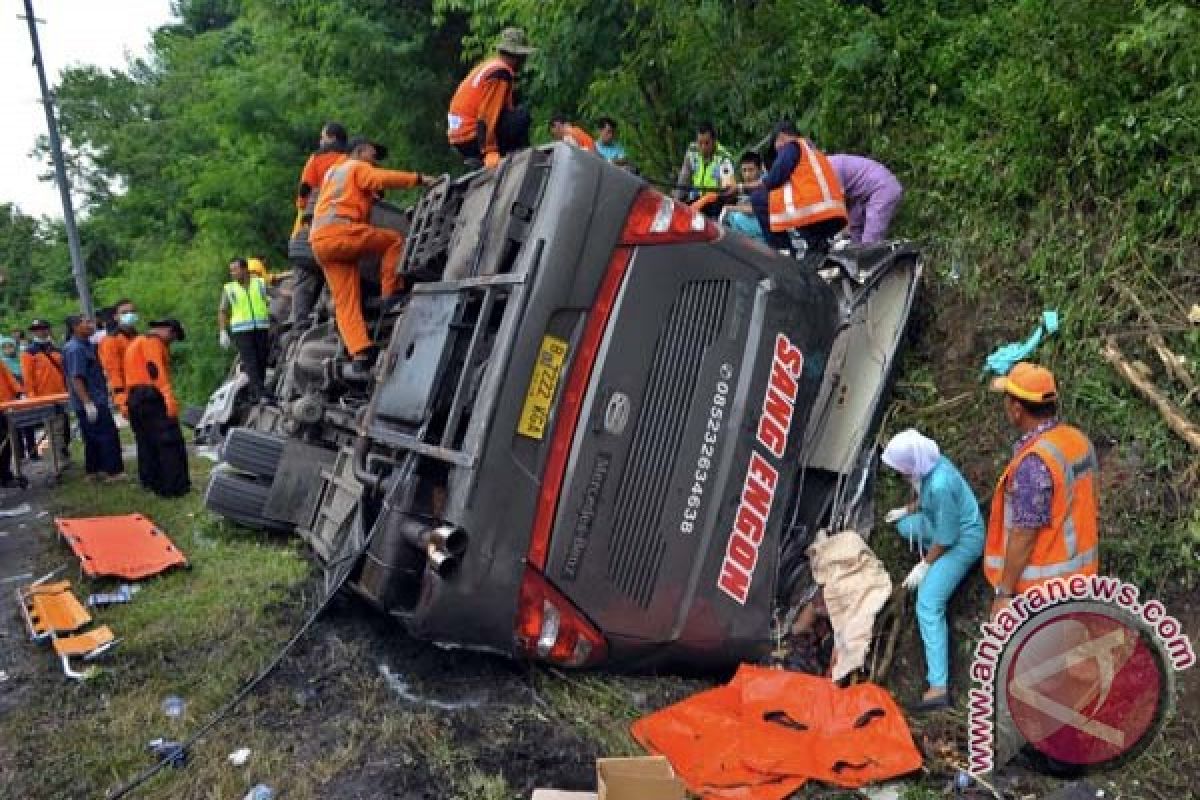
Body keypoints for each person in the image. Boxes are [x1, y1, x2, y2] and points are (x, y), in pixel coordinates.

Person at [310, 137, 436, 374]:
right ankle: (392, 295)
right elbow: (380, 178)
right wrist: (419, 179)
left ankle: (361, 353)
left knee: (346, 302)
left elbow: (344, 198)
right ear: (359, 151)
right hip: (341, 233)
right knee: (393, 241)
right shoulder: (357, 166)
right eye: (372, 153)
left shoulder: (333, 173)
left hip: (319, 244)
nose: (375, 159)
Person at [881, 429, 984, 711]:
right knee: (905, 527)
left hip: (962, 540)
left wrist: (925, 566)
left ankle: (938, 687)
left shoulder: (939, 483)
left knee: (927, 603)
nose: (901, 474)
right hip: (942, 524)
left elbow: (947, 537)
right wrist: (907, 510)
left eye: (901, 468)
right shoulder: (930, 463)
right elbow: (928, 502)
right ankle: (929, 556)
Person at [985, 362, 1099, 618]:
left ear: (1017, 410)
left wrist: (1004, 593)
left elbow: (1024, 534)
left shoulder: (1034, 463)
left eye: (1007, 400)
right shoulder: (1076, 440)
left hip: (1043, 596)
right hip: (1083, 580)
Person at [749, 121, 847, 255]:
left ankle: (782, 251)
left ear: (781, 137)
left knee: (758, 197)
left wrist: (744, 187)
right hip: (834, 214)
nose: (777, 152)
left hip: (814, 213)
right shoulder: (812, 150)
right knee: (815, 250)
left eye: (776, 147)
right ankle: (816, 246)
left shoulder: (791, 147)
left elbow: (773, 180)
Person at [447, 27, 535, 168]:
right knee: (521, 116)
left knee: (512, 116)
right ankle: (520, 160)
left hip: (459, 137)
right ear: (517, 56)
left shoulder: (488, 66)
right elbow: (487, 116)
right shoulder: (500, 73)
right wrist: (489, 151)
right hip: (472, 137)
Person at [125, 319, 190, 496]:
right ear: (168, 330)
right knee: (169, 441)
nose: (171, 341)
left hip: (135, 397)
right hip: (151, 396)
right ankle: (173, 487)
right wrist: (169, 402)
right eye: (173, 337)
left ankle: (150, 482)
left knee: (146, 443)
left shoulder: (137, 341)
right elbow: (157, 373)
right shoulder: (153, 343)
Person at [62, 315, 124, 482]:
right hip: (91, 400)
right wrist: (88, 403)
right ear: (75, 327)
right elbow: (77, 378)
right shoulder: (75, 348)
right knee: (107, 435)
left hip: (96, 397)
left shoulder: (87, 345)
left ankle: (94, 471)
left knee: (92, 437)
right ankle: (114, 472)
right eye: (86, 322)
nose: (92, 325)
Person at [218, 257, 272, 401]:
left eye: (235, 269)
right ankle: (260, 393)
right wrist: (223, 331)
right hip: (241, 331)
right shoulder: (229, 289)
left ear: (245, 269)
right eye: (231, 270)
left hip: (261, 327)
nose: (232, 273)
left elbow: (270, 296)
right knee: (251, 362)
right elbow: (223, 310)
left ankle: (257, 392)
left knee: (262, 359)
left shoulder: (260, 283)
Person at [21, 319, 70, 461]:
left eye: (43, 328)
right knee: (54, 430)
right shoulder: (29, 352)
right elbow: (28, 378)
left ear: (48, 329)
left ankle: (62, 454)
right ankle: (58, 460)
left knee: (64, 428)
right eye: (36, 329)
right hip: (44, 398)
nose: (40, 331)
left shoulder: (56, 349)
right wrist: (33, 399)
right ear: (33, 332)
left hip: (62, 395)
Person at [827, 154, 904, 244]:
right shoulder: (825, 165)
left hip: (881, 188)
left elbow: (839, 203)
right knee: (854, 233)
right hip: (861, 197)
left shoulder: (828, 167)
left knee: (870, 240)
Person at [295, 121, 349, 226]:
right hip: (347, 210)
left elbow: (306, 186)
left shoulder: (318, 157)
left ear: (333, 138)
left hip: (319, 211)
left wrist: (301, 205)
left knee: (299, 240)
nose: (320, 141)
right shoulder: (353, 157)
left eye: (323, 137)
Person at [673, 122, 735, 205]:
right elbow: (684, 179)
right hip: (694, 200)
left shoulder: (724, 158)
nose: (703, 147)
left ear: (714, 141)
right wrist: (677, 201)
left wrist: (706, 200)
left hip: (714, 203)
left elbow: (728, 190)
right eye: (700, 143)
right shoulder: (692, 151)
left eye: (707, 143)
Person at [98, 298, 138, 416]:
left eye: (132, 311)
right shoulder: (111, 341)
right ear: (116, 317)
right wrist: (122, 400)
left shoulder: (138, 337)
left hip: (145, 391)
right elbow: (113, 372)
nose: (129, 315)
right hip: (128, 393)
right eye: (124, 313)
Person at [722, 152, 767, 240]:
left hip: (767, 229)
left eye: (751, 170)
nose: (747, 175)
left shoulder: (764, 184)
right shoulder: (745, 188)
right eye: (744, 170)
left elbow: (757, 209)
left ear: (760, 169)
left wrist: (730, 208)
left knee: (734, 216)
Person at [0, 356, 24, 487]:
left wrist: (19, 392)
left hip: (5, 405)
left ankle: (6, 476)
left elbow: (9, 377)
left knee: (7, 442)